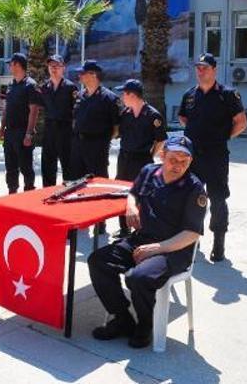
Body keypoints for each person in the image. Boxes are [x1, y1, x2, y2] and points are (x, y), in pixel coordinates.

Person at [87, 136, 206, 349]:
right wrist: (131, 206)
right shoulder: (149, 172)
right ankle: (122, 318)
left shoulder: (194, 188)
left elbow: (191, 234)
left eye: (184, 161)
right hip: (142, 239)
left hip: (174, 250)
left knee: (139, 278)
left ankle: (145, 325)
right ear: (163, 155)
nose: (178, 165)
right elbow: (133, 193)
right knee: (98, 261)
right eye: (173, 159)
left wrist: (157, 248)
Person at [178, 53, 247, 262]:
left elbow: (241, 122)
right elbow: (183, 118)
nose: (201, 71)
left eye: (205, 68)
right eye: (198, 68)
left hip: (216, 156)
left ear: (214, 70)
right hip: (192, 157)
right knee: (191, 198)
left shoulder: (227, 94)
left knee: (217, 199)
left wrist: (222, 137)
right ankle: (191, 239)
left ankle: (219, 243)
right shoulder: (190, 95)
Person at [114, 79, 168, 237]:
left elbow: (161, 140)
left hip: (142, 159)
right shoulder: (125, 114)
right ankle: (124, 229)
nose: (122, 97)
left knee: (142, 194)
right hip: (124, 158)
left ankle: (141, 230)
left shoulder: (152, 115)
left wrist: (150, 155)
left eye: (124, 94)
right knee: (123, 192)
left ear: (132, 95)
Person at [70, 61, 122, 180]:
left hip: (97, 147)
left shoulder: (109, 98)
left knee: (97, 181)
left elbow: (116, 128)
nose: (79, 75)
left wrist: (102, 142)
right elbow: (75, 120)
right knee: (76, 181)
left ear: (93, 75)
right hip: (78, 145)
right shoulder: (79, 96)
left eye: (82, 73)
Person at [0, 53, 41, 194]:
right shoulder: (11, 85)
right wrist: (2, 127)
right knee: (10, 167)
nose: (9, 67)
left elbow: (34, 111)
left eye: (11, 64)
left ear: (18, 65)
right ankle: (12, 193)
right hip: (10, 132)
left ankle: (28, 193)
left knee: (25, 167)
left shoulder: (30, 85)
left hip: (23, 132)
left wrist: (29, 134)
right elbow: (6, 108)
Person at [39, 54, 78, 187]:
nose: (53, 69)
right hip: (49, 130)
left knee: (68, 165)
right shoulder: (44, 88)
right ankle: (48, 192)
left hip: (65, 130)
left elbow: (76, 111)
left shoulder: (70, 88)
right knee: (47, 165)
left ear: (63, 68)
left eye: (56, 66)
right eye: (51, 66)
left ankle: (69, 192)